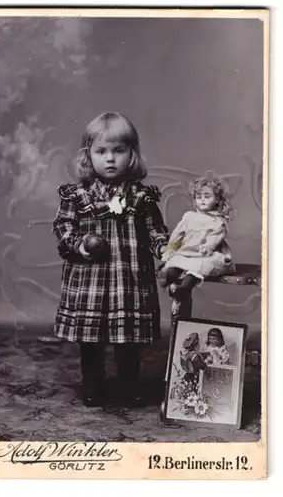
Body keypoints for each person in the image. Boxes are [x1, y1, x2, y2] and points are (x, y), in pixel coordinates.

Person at [53, 112, 169, 407]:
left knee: (128, 340)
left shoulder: (142, 197)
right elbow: (64, 229)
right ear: (88, 155)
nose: (110, 159)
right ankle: (93, 385)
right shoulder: (77, 195)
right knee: (90, 341)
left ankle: (128, 386)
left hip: (128, 281)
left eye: (119, 150)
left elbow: (156, 232)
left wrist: (166, 251)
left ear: (132, 154)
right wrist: (80, 245)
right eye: (101, 151)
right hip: (91, 281)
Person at [158, 172, 235, 297]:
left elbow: (216, 237)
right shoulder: (189, 216)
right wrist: (171, 247)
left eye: (207, 196)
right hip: (188, 251)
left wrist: (208, 247)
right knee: (177, 259)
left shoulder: (217, 221)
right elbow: (178, 233)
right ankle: (169, 273)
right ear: (194, 200)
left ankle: (184, 287)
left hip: (205, 253)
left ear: (217, 200)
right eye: (199, 197)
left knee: (202, 265)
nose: (202, 199)